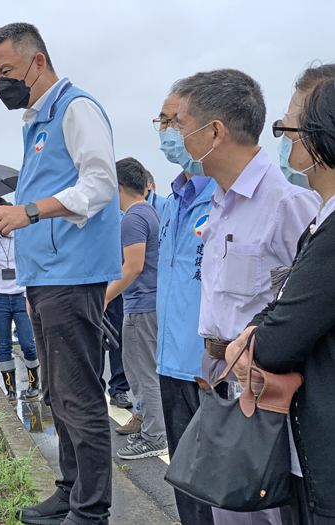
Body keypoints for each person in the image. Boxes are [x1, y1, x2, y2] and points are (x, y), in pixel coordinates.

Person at [0, 22, 121, 525]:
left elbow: (100, 183)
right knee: (58, 392)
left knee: (79, 394)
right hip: (44, 277)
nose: (1, 84)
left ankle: (91, 509)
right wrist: (10, 214)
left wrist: (29, 211)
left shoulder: (75, 108)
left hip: (73, 275)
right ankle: (70, 489)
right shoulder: (37, 121)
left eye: (7, 72)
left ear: (37, 62)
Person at [174, 68, 320, 525]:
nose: (176, 137)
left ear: (214, 131)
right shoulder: (220, 201)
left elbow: (310, 309)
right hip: (220, 380)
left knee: (270, 512)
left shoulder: (286, 204)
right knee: (229, 510)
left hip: (266, 395)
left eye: (180, 125)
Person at [226, 64, 335, 525]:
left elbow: (277, 340)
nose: (284, 137)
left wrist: (254, 336)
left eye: (289, 127)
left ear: (321, 136)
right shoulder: (322, 221)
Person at [153, 87, 217, 524]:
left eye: (174, 121)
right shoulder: (172, 202)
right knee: (187, 483)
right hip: (170, 364)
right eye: (160, 122)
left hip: (212, 372)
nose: (166, 131)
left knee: (222, 486)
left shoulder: (226, 197)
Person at [104, 157, 166, 460]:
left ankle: (155, 437)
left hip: (142, 307)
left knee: (143, 374)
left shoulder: (132, 218)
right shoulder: (149, 212)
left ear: (117, 187)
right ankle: (149, 426)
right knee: (142, 371)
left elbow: (133, 267)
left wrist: (102, 299)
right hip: (148, 304)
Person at [0, 196, 40, 404]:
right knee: (3, 345)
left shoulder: (22, 234)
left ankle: (33, 385)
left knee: (28, 343)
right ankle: (11, 391)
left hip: (22, 296)